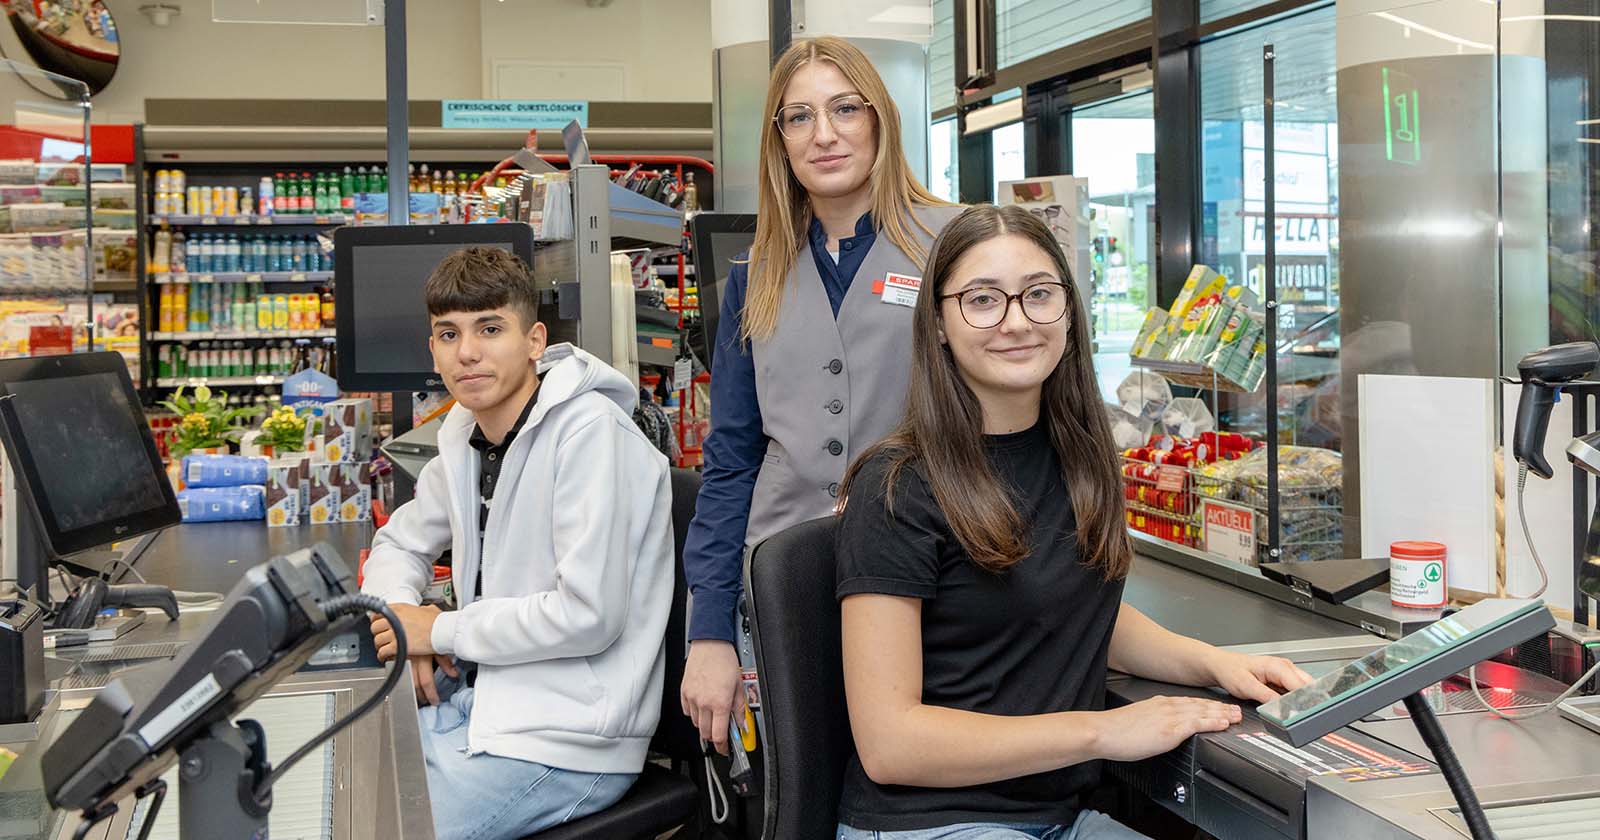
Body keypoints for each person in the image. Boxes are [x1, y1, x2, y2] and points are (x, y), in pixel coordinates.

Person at [833, 205, 1314, 839]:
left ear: (1067, 311)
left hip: (1057, 816)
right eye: (982, 300)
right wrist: (1104, 731)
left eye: (1039, 294)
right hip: (929, 823)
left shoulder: (1078, 456)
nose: (1017, 321)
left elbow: (1076, 608)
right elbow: (891, 744)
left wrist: (1214, 664)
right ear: (940, 325)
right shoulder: (897, 485)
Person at [681, 34, 963, 756]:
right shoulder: (755, 275)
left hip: (929, 577)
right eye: (799, 117)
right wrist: (709, 630)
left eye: (845, 108)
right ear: (779, 140)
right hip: (781, 582)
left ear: (880, 119)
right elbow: (732, 461)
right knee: (795, 788)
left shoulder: (956, 244)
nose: (824, 134)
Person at [360, 247, 674, 840]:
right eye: (448, 334)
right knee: (334, 779)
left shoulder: (591, 435)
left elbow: (588, 615)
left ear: (534, 341)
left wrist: (439, 630)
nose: (467, 352)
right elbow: (399, 543)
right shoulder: (465, 432)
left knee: (379, 827)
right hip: (487, 705)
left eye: (489, 329)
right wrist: (402, 619)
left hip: (570, 738)